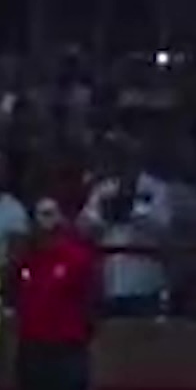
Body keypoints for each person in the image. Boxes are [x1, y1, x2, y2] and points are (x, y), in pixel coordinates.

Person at [12, 197, 100, 390]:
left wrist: (81, 335)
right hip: (33, 349)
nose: (45, 221)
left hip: (67, 350)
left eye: (51, 213)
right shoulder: (29, 261)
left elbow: (91, 302)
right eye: (40, 215)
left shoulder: (78, 258)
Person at [79, 132, 175, 318]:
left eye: (127, 156)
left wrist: (132, 210)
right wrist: (105, 216)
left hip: (144, 283)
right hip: (108, 283)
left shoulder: (156, 189)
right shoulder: (104, 189)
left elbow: (164, 228)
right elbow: (84, 228)